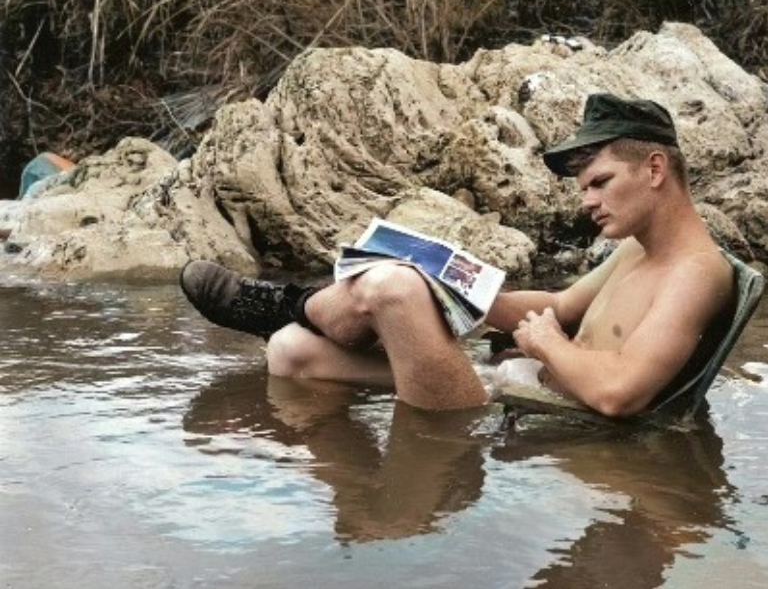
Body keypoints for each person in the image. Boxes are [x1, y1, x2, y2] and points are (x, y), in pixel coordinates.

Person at [180, 93, 734, 416]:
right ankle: (290, 336)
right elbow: (561, 306)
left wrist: (544, 344)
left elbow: (616, 395)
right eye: (584, 186)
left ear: (655, 169)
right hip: (511, 382)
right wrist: (463, 287)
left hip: (519, 413)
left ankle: (291, 300)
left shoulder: (696, 272)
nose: (586, 200)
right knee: (289, 352)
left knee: (392, 288)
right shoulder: (638, 252)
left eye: (599, 182)